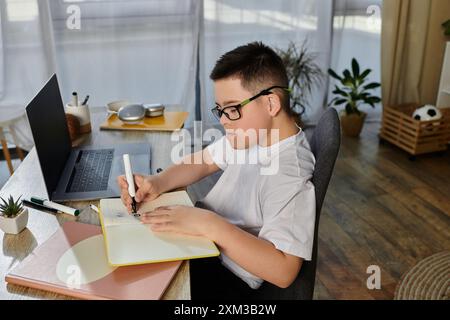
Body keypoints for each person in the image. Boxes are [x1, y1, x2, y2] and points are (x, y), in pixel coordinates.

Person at [118, 42, 316, 300]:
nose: (223, 120)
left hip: (226, 278)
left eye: (233, 108)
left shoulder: (290, 172)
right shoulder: (254, 135)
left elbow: (284, 270)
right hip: (204, 243)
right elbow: (205, 160)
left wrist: (209, 225)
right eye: (220, 109)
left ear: (270, 104)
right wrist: (157, 182)